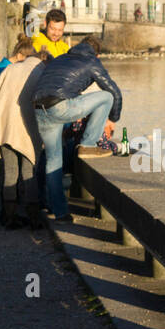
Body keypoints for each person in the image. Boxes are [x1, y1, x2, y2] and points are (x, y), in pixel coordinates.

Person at [31, 34, 121, 222]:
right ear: (96, 54)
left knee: (53, 160)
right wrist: (112, 119)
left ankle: (60, 211)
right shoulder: (91, 61)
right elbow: (114, 91)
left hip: (39, 108)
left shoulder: (63, 58)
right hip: (60, 106)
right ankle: (87, 145)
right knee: (106, 97)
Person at [0, 36, 48, 230]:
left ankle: (10, 217)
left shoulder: (10, 68)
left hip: (4, 128)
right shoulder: (43, 73)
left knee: (10, 173)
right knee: (29, 173)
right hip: (27, 131)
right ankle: (35, 218)